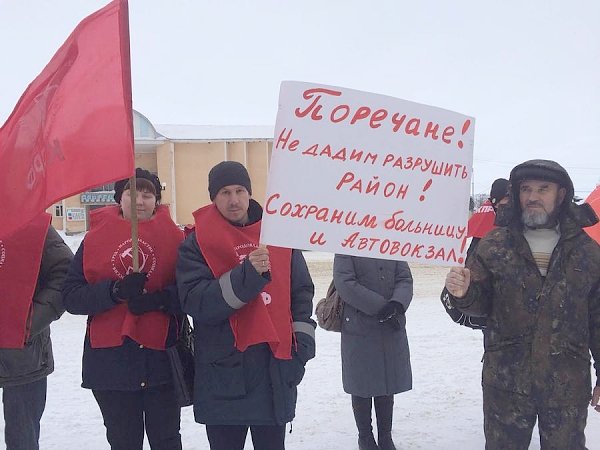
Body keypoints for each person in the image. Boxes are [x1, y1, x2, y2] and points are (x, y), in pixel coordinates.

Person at [445, 159, 600, 449]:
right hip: (506, 383)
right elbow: (480, 307)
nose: (533, 197)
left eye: (543, 189)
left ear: (561, 194)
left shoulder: (587, 252)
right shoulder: (495, 244)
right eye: (526, 189)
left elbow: (598, 319)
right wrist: (463, 293)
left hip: (566, 383)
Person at [176, 161, 316, 450]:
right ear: (213, 198)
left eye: (240, 190)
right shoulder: (195, 243)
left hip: (273, 371)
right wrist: (247, 276)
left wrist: (301, 345)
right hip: (223, 376)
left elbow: (301, 293)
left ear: (250, 193)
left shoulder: (277, 235)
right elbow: (197, 302)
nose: (234, 199)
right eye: (225, 192)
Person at [62, 168, 185, 450]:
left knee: (166, 439)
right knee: (123, 441)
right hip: (111, 364)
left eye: (147, 194)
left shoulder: (177, 239)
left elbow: (192, 293)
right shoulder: (93, 239)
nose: (140, 201)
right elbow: (71, 296)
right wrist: (114, 292)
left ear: (157, 200)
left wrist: (160, 299)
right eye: (132, 193)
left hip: (161, 360)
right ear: (120, 198)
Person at [0, 215, 73, 450]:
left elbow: (64, 272)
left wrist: (30, 321)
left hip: (24, 354)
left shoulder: (31, 221)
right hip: (25, 354)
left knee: (23, 440)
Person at [333, 254, 413, 450]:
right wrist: (380, 306)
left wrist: (397, 303)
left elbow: (404, 277)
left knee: (387, 381)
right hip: (360, 324)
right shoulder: (346, 242)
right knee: (361, 384)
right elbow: (344, 282)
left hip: (391, 323)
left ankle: (385, 436)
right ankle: (365, 437)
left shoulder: (391, 241)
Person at [440, 178, 510, 330]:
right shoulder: (486, 226)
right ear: (495, 201)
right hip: (490, 305)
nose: (508, 205)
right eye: (505, 200)